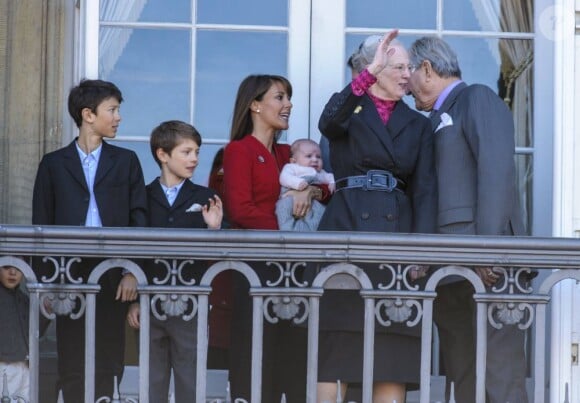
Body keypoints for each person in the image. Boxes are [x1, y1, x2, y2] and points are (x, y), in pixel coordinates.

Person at [315, 30, 437, 402]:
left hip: (396, 243)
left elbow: (426, 190)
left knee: (391, 352)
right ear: (376, 68)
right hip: (346, 231)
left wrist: (421, 252)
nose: (406, 75)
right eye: (398, 67)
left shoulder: (418, 124)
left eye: (409, 67)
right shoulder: (349, 109)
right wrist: (367, 74)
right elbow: (327, 123)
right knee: (336, 349)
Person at [407, 36, 529, 403]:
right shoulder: (432, 120)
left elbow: (496, 173)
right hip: (451, 269)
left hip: (486, 263)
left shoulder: (476, 98)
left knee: (499, 374)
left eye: (407, 72)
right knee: (463, 375)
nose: (404, 83)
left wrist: (486, 249)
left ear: (426, 69)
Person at [32, 79, 147, 402]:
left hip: (114, 272)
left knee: (109, 356)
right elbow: (40, 226)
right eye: (112, 110)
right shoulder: (53, 164)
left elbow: (139, 220)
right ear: (88, 114)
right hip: (68, 272)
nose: (119, 117)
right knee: (72, 355)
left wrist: (132, 271)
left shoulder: (126, 161)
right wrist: (46, 284)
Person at [222, 74, 330, 402]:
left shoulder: (287, 153)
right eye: (279, 97)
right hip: (255, 270)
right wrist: (286, 227)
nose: (288, 105)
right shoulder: (239, 150)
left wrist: (308, 192)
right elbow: (241, 211)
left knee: (295, 364)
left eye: (288, 98)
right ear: (255, 105)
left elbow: (325, 186)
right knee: (255, 365)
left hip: (295, 274)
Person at [126, 120, 223, 402]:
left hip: (190, 304)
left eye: (196, 152)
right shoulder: (141, 196)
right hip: (149, 302)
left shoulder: (205, 197)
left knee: (190, 380)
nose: (194, 159)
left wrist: (214, 231)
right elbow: (133, 247)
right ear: (162, 154)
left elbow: (218, 257)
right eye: (186, 151)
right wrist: (134, 300)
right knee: (151, 380)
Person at [0, 263, 49, 402]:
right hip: (4, 364)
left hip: (25, 364)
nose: (13, 272)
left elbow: (33, 330)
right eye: (6, 267)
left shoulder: (24, 298)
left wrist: (46, 312)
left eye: (18, 268)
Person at [320, 42, 366, 173]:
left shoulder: (400, 114)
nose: (360, 89)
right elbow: (326, 162)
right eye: (355, 83)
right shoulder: (342, 107)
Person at [276, 138, 335, 231]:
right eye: (309, 156)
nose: (315, 159)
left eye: (318, 157)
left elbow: (329, 177)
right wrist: (297, 183)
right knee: (283, 207)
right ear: (294, 161)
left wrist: (332, 183)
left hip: (313, 202)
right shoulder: (292, 167)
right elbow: (284, 177)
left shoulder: (319, 173)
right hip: (291, 195)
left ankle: (313, 231)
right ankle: (288, 231)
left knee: (322, 211)